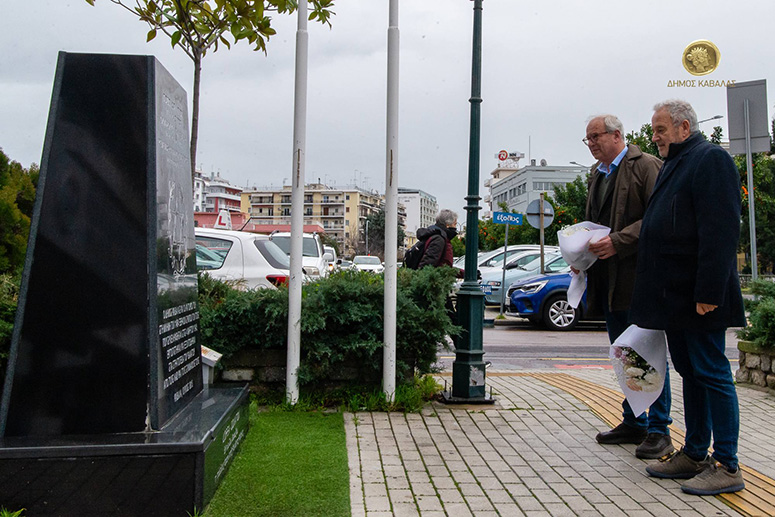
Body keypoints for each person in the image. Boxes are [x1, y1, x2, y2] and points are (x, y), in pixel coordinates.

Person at [630, 99, 746, 495]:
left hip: (699, 295)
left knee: (713, 375)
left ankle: (727, 465)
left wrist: (709, 291)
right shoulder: (676, 162)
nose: (655, 137)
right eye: (654, 129)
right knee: (691, 374)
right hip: (675, 297)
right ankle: (695, 454)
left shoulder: (709, 159)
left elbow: (721, 230)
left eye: (661, 129)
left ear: (683, 126)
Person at [579, 114, 673, 459]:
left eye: (595, 137)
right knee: (624, 353)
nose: (591, 144)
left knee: (647, 353)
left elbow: (659, 218)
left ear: (617, 135)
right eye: (587, 139)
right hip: (607, 279)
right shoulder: (597, 174)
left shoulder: (645, 166)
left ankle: (660, 429)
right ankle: (634, 420)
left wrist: (619, 241)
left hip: (639, 278)